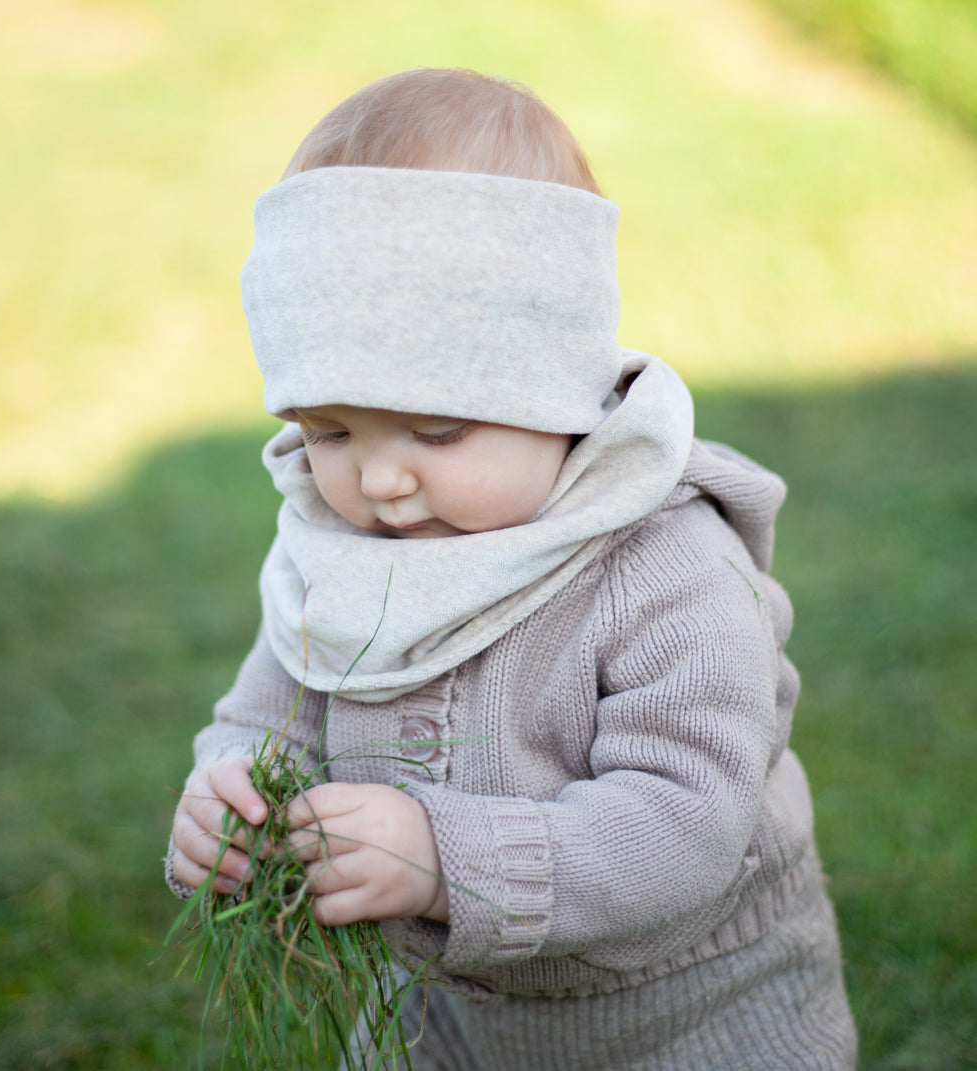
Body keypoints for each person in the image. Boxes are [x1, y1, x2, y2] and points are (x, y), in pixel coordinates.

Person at [166, 68, 857, 1069]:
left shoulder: (665, 568)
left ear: (557, 387)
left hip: (687, 1012)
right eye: (329, 429)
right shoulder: (345, 545)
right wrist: (226, 797)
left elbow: (686, 820)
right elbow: (276, 709)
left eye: (437, 429)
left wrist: (444, 860)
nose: (382, 481)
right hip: (447, 1013)